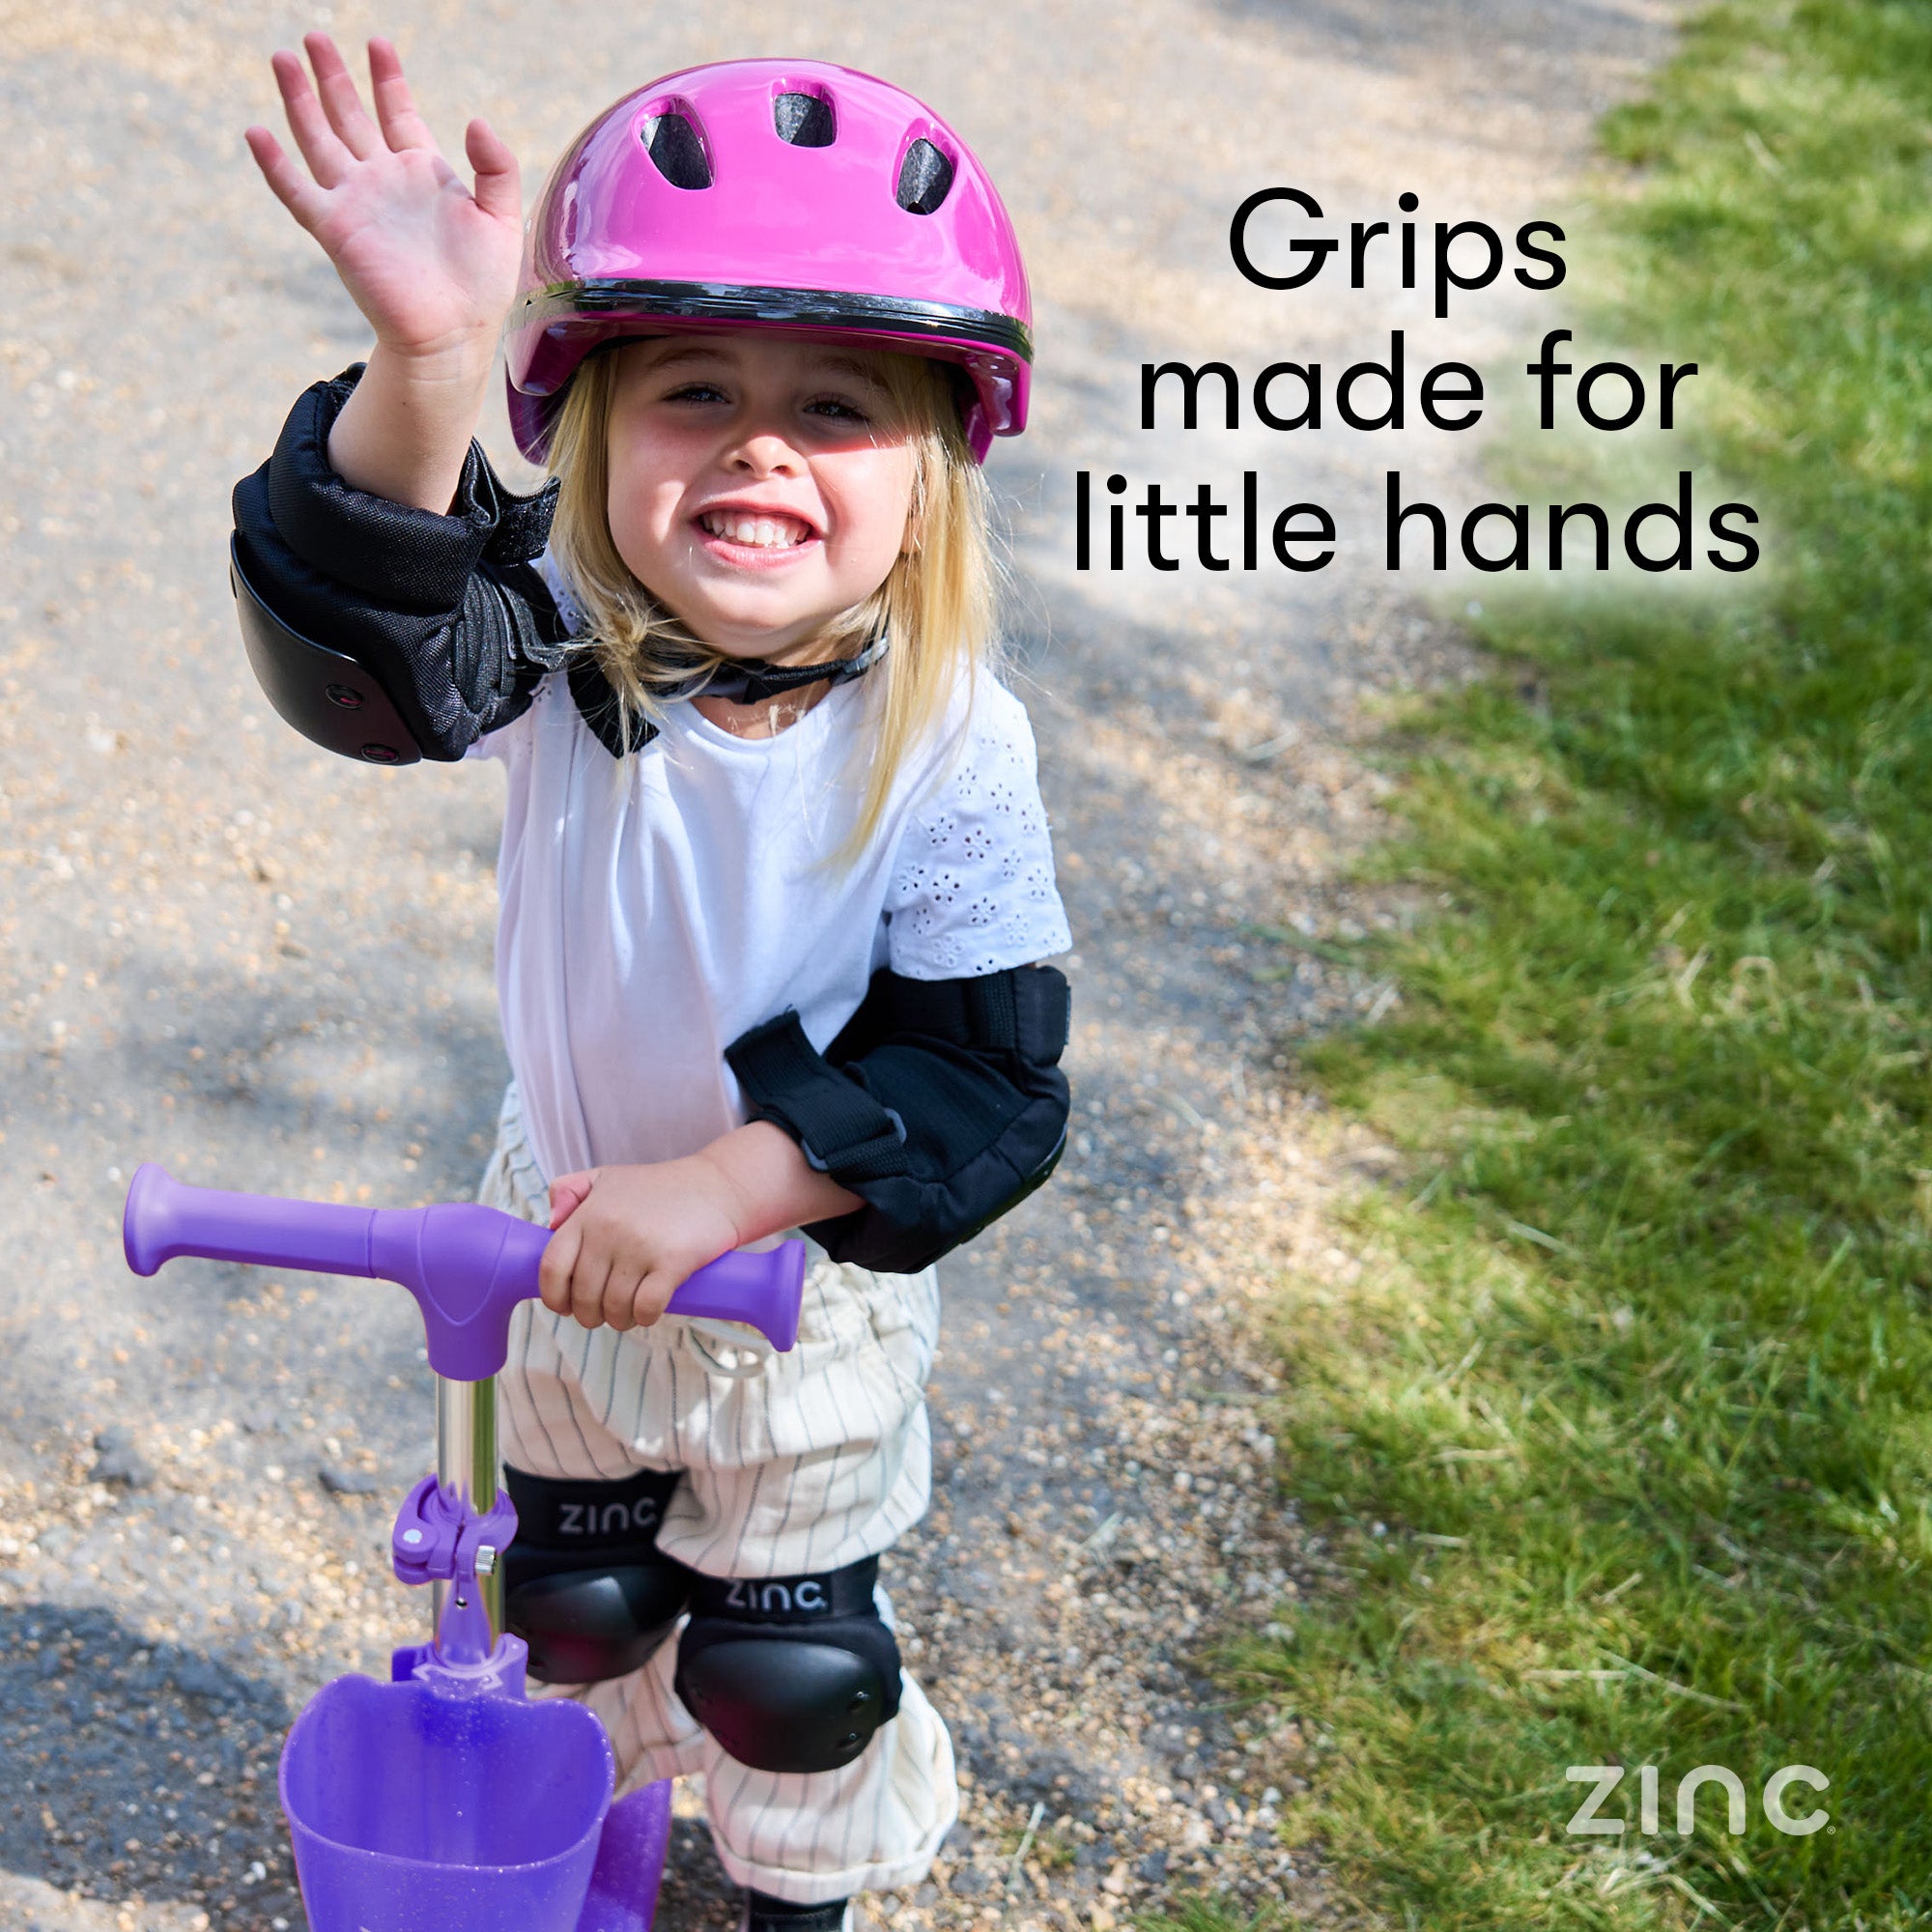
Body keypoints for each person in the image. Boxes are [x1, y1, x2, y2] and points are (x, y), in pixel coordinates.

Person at [230, 35, 1072, 1932]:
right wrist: (429, 370)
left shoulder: (947, 741)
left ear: (933, 479)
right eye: (693, 388)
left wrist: (737, 1184)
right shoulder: (555, 636)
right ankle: (592, 1860)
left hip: (802, 1278)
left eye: (836, 405)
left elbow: (987, 1068)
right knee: (572, 1605)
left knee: (787, 1672)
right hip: (562, 1240)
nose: (759, 446)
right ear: (598, 434)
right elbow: (364, 647)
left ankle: (797, 1901)